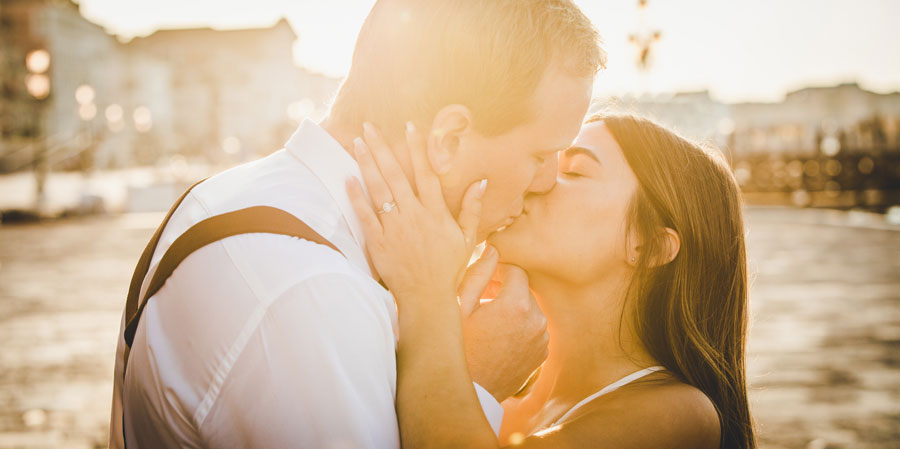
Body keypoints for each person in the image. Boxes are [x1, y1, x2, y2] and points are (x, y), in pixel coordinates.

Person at [108, 1, 604, 448]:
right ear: (449, 139)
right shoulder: (314, 293)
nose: (547, 181)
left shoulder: (228, 196)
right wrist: (468, 383)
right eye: (540, 154)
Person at [348, 113, 756, 448]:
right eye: (542, 160)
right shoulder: (506, 378)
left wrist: (427, 295)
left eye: (575, 172)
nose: (537, 181)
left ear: (648, 246)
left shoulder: (680, 417)